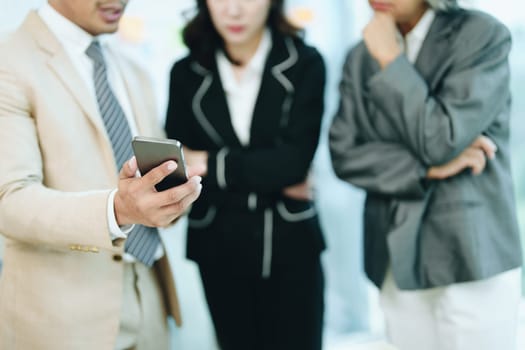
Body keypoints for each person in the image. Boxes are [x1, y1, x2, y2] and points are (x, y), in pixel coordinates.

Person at [0, 1, 203, 349]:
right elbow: (10, 200)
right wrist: (119, 211)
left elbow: (151, 184)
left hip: (150, 305)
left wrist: (169, 200)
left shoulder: (133, 69)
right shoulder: (10, 61)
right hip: (62, 323)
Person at [329, 0, 523, 349]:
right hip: (394, 251)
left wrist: (391, 60)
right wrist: (426, 168)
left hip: (470, 251)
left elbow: (440, 140)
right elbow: (345, 156)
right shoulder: (359, 55)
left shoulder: (480, 35)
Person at [164, 0, 326, 349]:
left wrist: (210, 163)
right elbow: (180, 169)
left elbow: (293, 163)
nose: (234, 11)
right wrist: (268, 174)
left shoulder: (305, 62)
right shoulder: (185, 72)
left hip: (290, 244)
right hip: (218, 246)